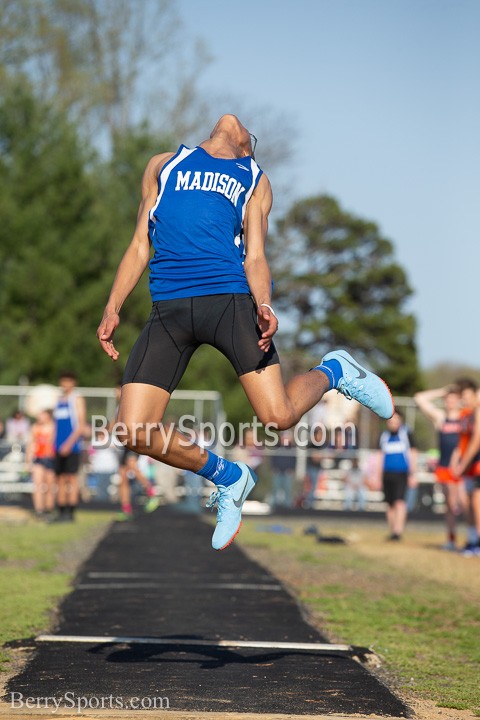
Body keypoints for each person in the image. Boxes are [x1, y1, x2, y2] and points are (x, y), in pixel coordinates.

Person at [96, 114, 394, 551]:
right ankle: (229, 477)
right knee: (133, 430)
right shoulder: (163, 165)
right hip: (169, 309)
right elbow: (140, 244)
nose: (235, 126)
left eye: (248, 140)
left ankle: (334, 371)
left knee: (278, 417)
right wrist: (113, 305)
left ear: (246, 147)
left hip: (228, 301)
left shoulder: (253, 177)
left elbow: (255, 256)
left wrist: (265, 303)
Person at [414, 386, 462, 549]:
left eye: (454, 399)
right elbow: (419, 398)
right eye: (448, 399)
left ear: (459, 400)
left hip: (462, 468)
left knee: (463, 502)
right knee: (449, 505)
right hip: (444, 467)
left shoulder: (465, 417)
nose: (450, 402)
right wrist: (443, 391)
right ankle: (451, 539)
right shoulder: (441, 418)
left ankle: (473, 537)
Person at [450, 378, 480, 556]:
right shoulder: (467, 415)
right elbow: (463, 442)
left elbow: (476, 440)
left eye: (467, 395)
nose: (464, 399)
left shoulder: (477, 412)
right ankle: (472, 540)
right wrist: (457, 460)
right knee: (466, 502)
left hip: (475, 464)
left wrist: (462, 464)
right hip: (471, 466)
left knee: (476, 502)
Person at [52, 371, 87, 522]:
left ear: (73, 382)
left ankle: (70, 512)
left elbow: (80, 425)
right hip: (58, 447)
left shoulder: (76, 399)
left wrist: (68, 444)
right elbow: (56, 426)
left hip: (71, 447)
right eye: (63, 381)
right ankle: (60, 511)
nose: (65, 384)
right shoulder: (59, 400)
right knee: (59, 479)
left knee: (70, 479)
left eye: (68, 381)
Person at [377, 411, 417, 540]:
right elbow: (380, 457)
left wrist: (412, 474)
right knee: (390, 504)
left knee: (400, 502)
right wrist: (378, 477)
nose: (393, 423)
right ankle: (392, 531)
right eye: (390, 421)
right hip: (387, 474)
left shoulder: (406, 434)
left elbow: (413, 454)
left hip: (401, 474)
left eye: (395, 420)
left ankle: (398, 532)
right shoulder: (383, 436)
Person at [25, 409, 56, 518]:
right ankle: (39, 509)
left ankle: (49, 509)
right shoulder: (35, 428)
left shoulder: (54, 427)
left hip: (50, 459)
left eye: (42, 415)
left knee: (49, 485)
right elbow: (30, 444)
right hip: (39, 458)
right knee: (37, 485)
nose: (40, 417)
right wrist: (28, 461)